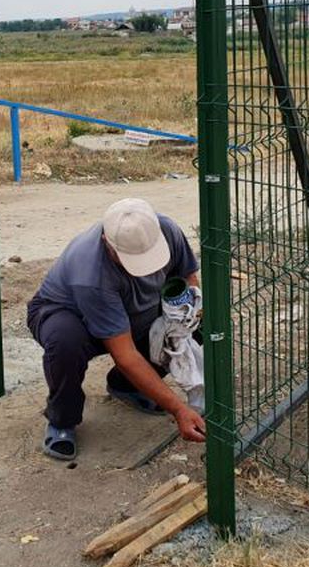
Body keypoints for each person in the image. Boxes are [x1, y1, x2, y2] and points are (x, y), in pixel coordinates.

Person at [26, 198, 207, 461]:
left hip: (128, 310)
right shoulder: (90, 272)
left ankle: (125, 387)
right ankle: (62, 419)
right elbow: (125, 355)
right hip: (69, 314)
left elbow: (188, 278)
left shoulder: (166, 229)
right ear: (107, 243)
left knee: (182, 326)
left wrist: (188, 313)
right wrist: (178, 409)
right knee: (65, 341)